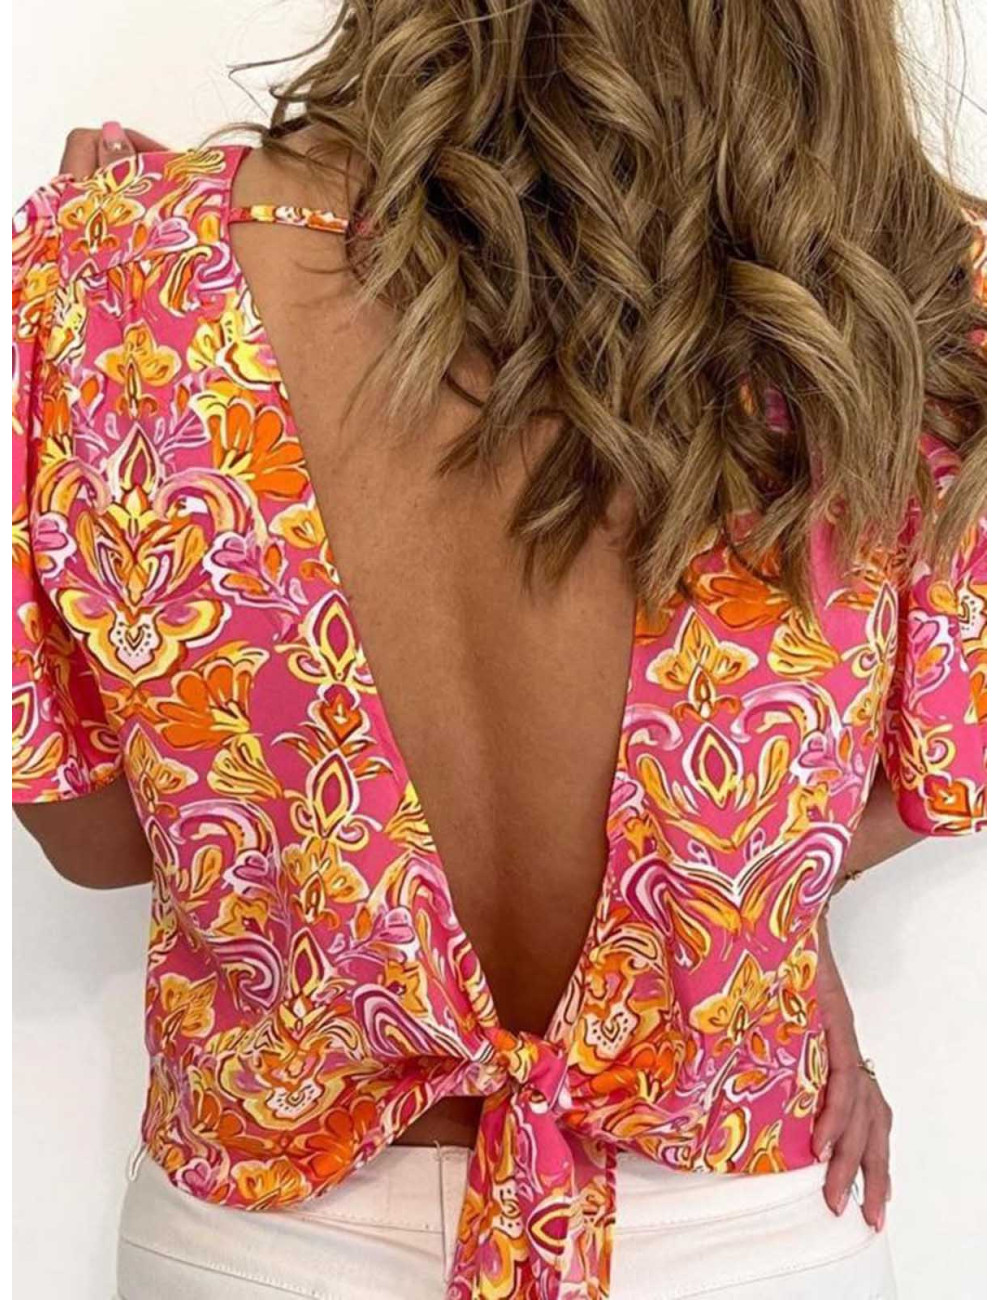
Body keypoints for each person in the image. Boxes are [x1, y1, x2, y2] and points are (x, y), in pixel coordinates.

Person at [12, 3, 985, 1298]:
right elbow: (931, 776)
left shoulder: (111, 274)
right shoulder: (890, 295)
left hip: (268, 1238)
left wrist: (112, 284)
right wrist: (723, 919)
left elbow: (92, 839)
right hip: (741, 1225)